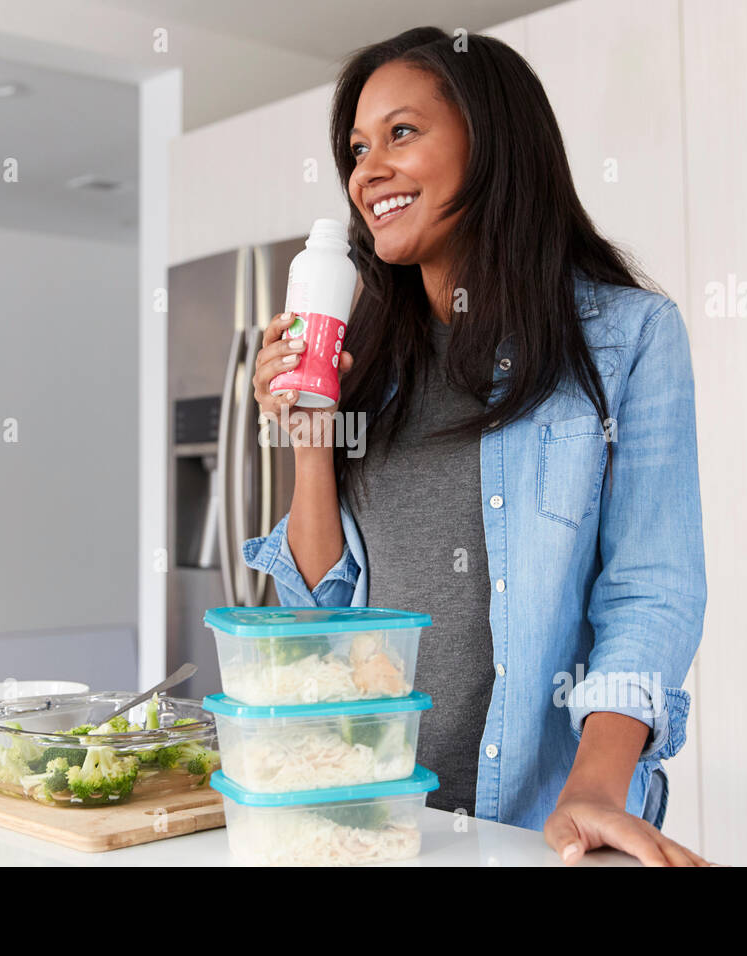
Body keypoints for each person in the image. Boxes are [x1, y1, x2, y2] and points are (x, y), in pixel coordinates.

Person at [243, 27, 711, 867]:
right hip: (375, 818)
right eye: (356, 147)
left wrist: (596, 789)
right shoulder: (366, 360)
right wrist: (311, 446)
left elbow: (652, 592)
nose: (367, 170)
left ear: (491, 140)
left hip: (545, 825)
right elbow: (321, 627)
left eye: (401, 133)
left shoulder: (626, 338)